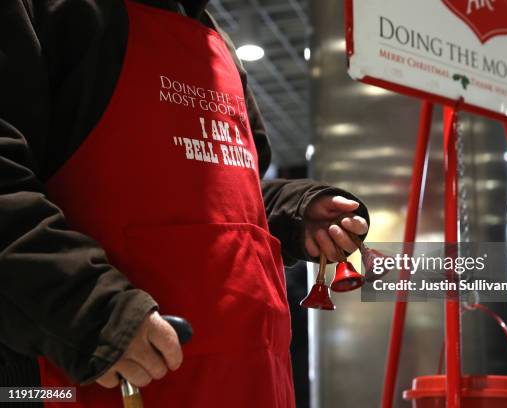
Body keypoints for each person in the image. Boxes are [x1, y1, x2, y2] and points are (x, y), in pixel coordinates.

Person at [0, 0, 369, 406]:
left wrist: (293, 212)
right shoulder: (46, 11)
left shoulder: (217, 44)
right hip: (106, 377)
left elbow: (226, 192)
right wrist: (91, 314)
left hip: (254, 379)